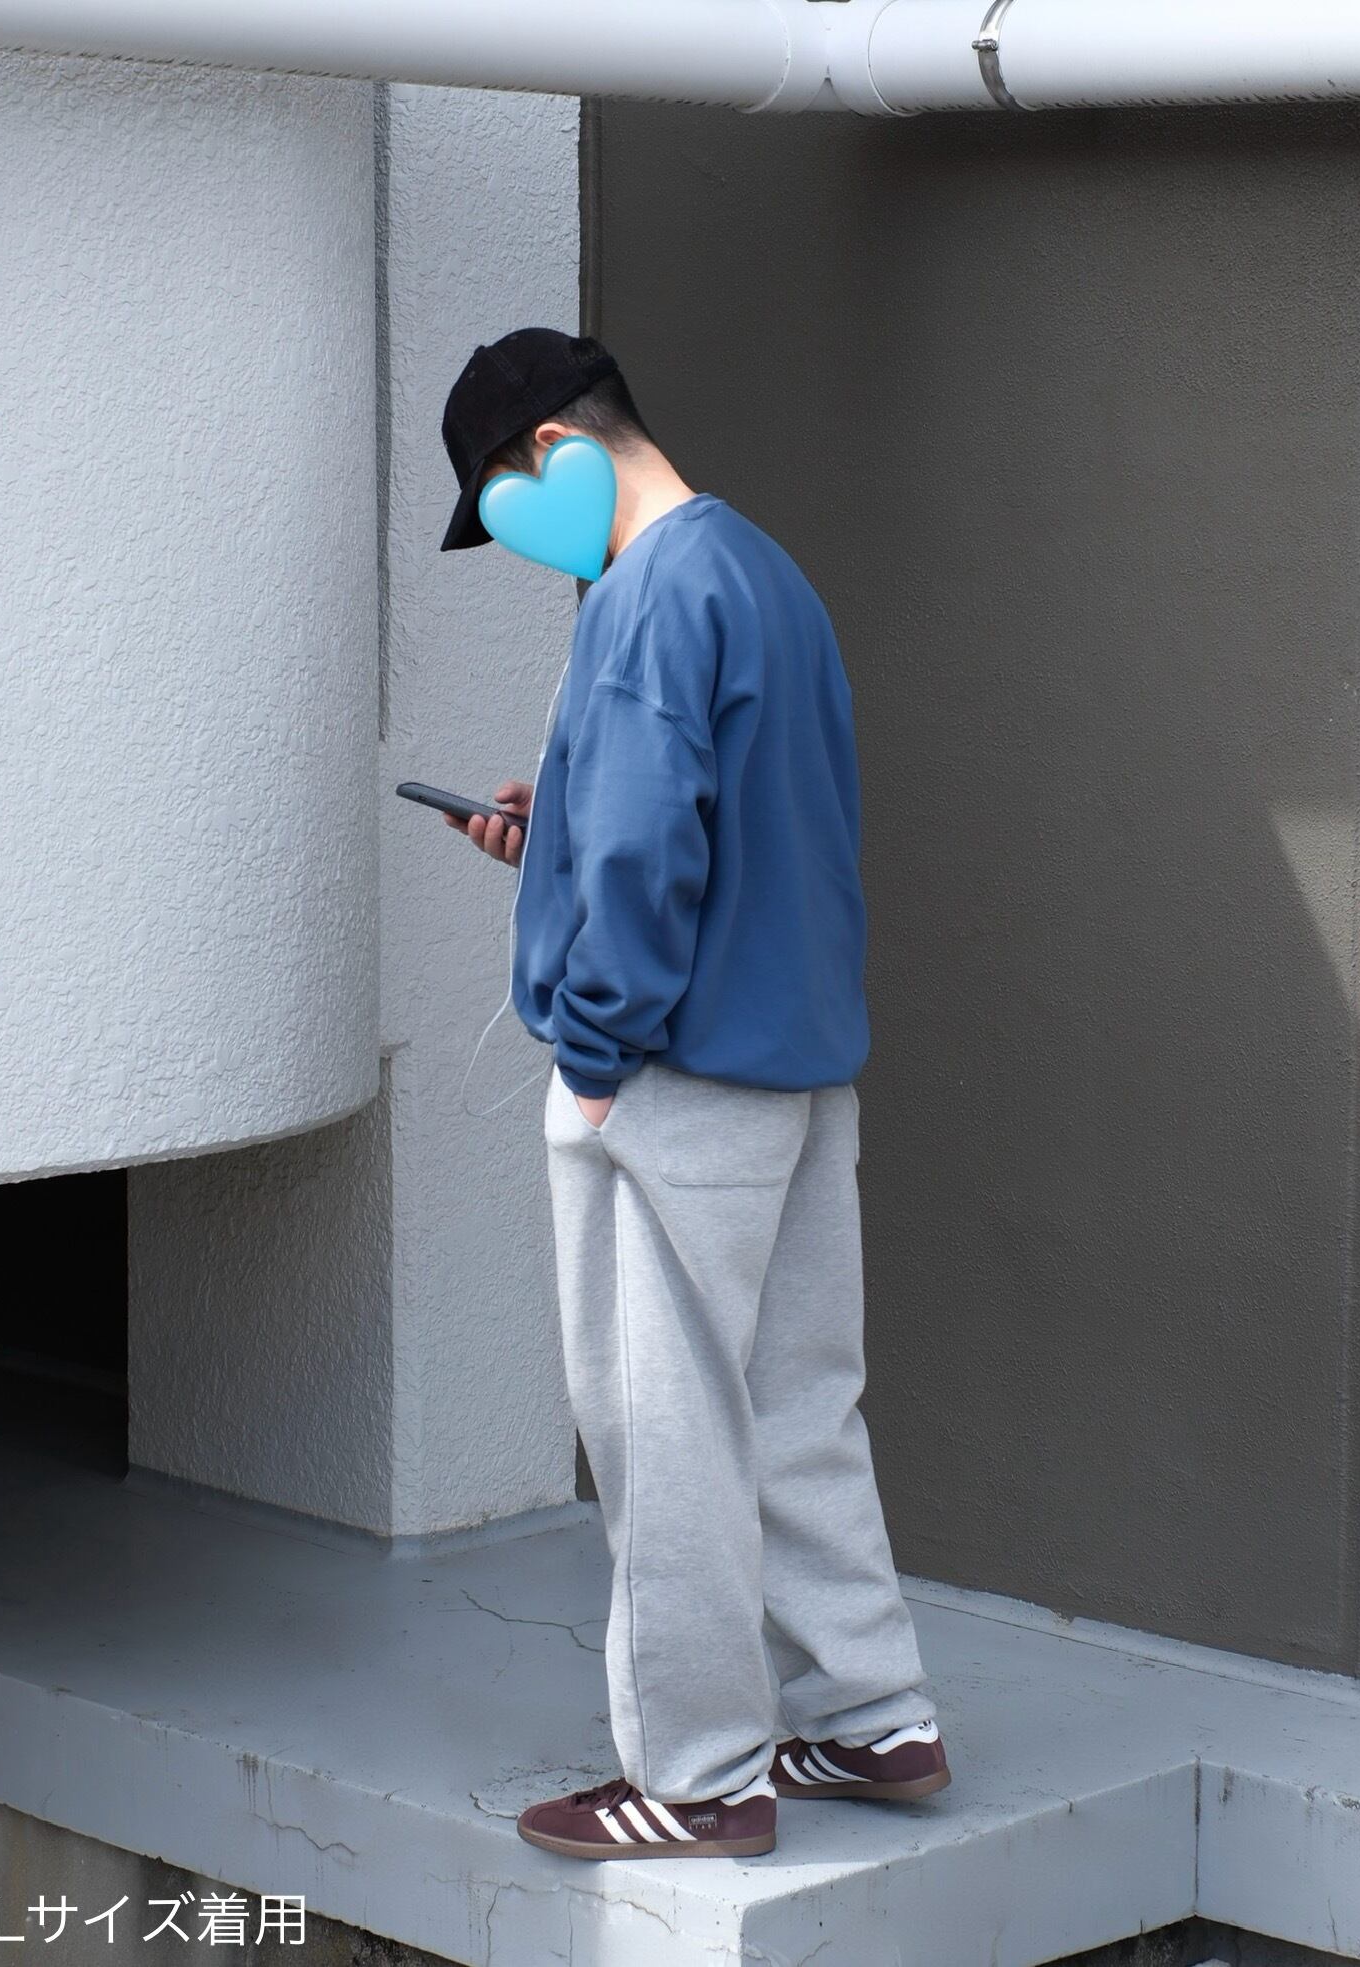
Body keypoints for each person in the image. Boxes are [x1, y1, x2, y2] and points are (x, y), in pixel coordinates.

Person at [437, 327, 947, 1861]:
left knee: (665, 1436)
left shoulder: (642, 596)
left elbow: (653, 852)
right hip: (797, 1062)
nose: (516, 541)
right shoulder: (760, 573)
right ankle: (875, 1714)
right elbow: (727, 819)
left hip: (671, 1073)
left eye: (501, 504)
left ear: (552, 453)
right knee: (796, 1403)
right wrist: (555, 823)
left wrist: (596, 1059)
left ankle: (703, 1776)